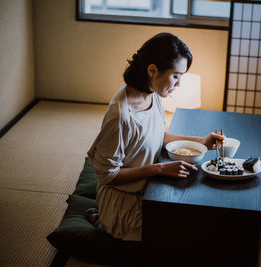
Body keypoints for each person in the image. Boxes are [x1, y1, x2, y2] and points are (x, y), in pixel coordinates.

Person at [87, 32, 223, 264]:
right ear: (152, 71)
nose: (179, 84)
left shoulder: (152, 94)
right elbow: (107, 175)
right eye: (176, 76)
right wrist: (159, 170)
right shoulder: (120, 116)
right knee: (179, 241)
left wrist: (200, 142)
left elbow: (157, 135)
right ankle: (103, 223)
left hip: (146, 186)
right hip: (124, 200)